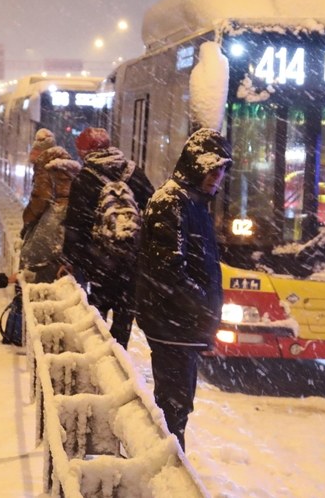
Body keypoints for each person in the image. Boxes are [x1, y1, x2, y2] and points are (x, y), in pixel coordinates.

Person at [134, 128, 232, 450]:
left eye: (221, 170)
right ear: (195, 166)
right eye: (212, 169)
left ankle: (170, 466)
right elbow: (169, 274)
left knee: (177, 408)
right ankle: (168, 473)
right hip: (171, 327)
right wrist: (204, 305)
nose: (217, 177)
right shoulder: (171, 203)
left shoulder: (193, 203)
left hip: (180, 327)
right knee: (173, 410)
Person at [61, 127, 154, 346]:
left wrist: (70, 260)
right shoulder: (134, 173)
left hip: (98, 264)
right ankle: (119, 357)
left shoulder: (84, 179)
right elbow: (151, 211)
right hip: (131, 263)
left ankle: (98, 361)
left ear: (84, 152)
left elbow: (76, 225)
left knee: (95, 316)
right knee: (123, 318)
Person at [19, 144, 81, 283]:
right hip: (69, 229)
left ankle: (29, 296)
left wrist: (27, 219)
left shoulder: (45, 168)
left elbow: (40, 200)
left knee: (33, 263)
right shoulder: (74, 171)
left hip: (51, 224)